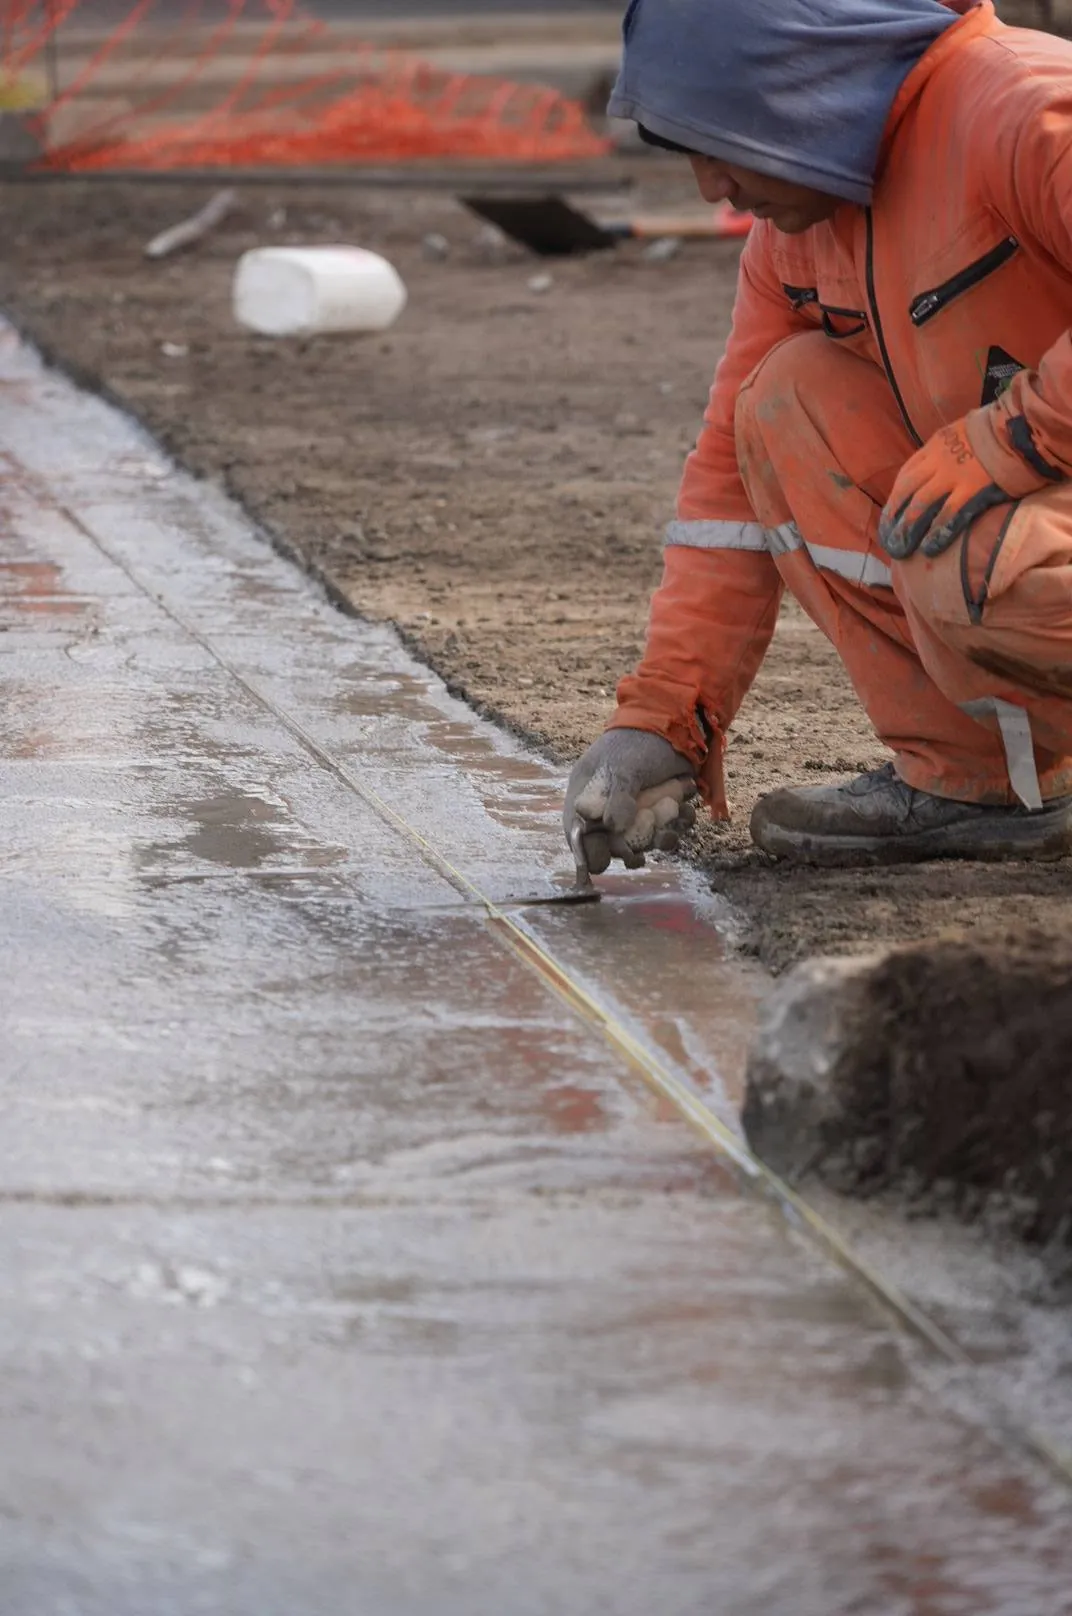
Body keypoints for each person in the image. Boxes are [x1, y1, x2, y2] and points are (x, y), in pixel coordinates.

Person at [565, 0, 1072, 872]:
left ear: (796, 87)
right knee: (780, 405)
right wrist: (664, 720)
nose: (709, 190)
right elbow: (727, 477)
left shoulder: (1024, 109)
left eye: (712, 143)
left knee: (980, 566)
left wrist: (1017, 437)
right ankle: (982, 782)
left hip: (1040, 473)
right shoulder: (794, 235)